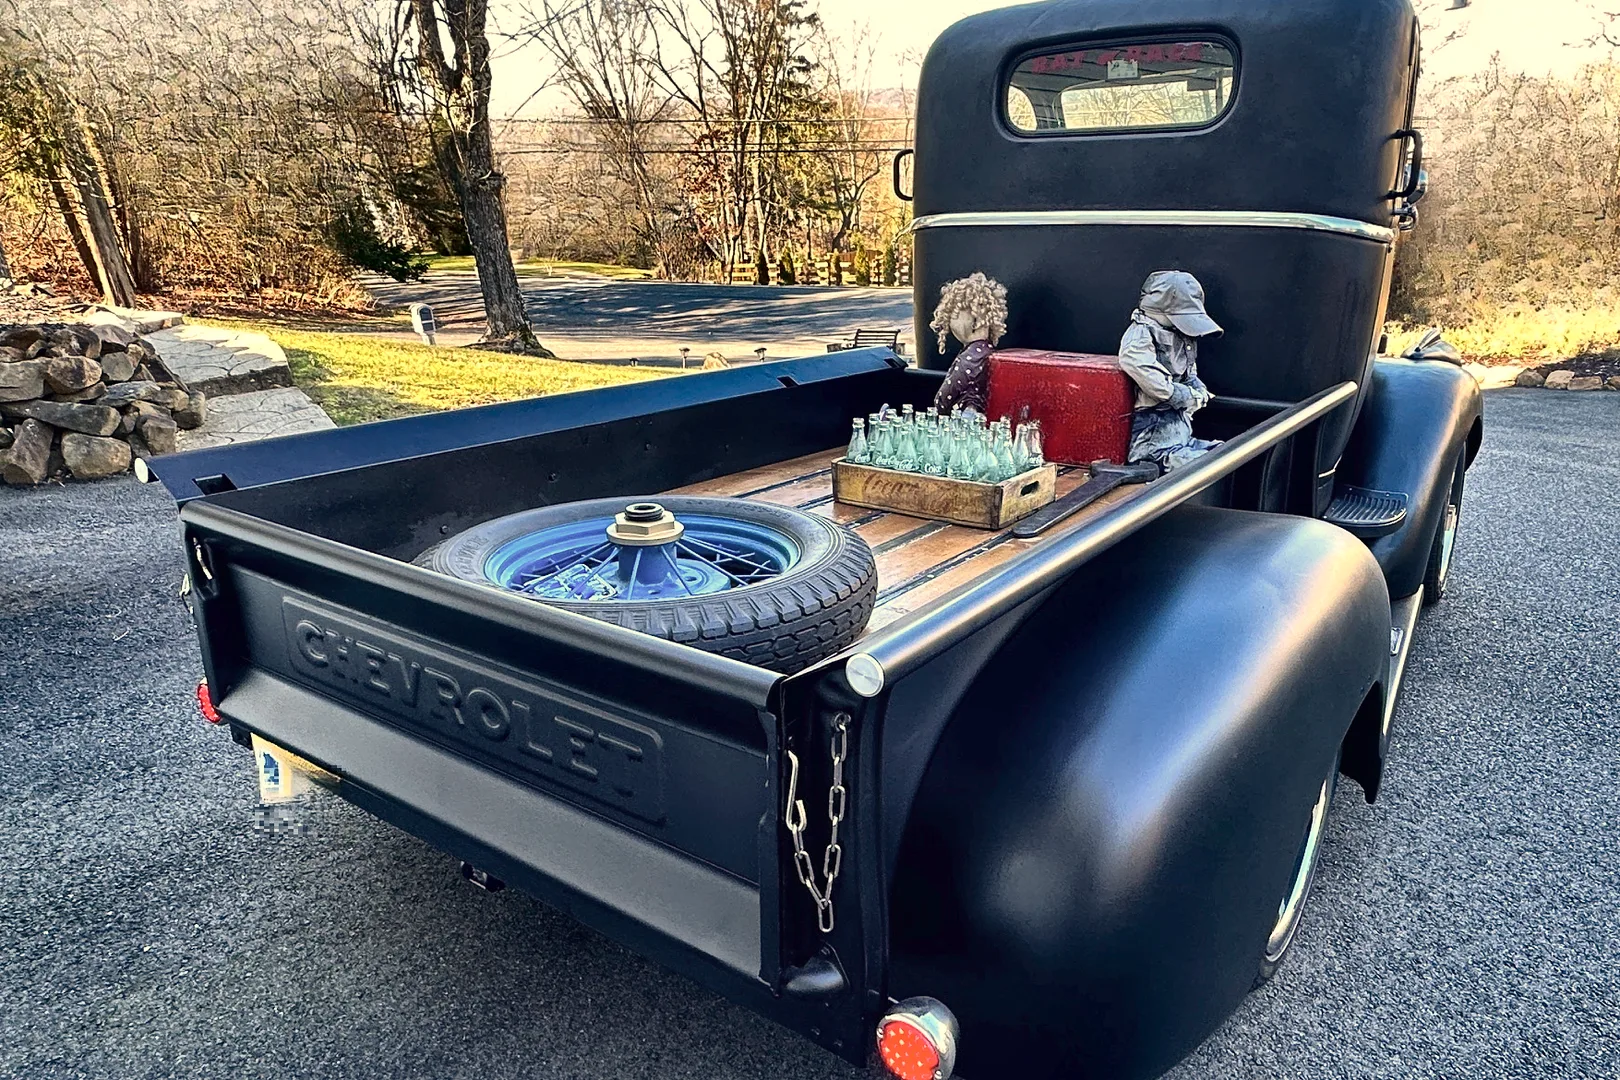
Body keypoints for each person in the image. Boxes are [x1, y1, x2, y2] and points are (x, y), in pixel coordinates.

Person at [1118, 270, 1223, 471]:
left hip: (1179, 420)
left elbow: (1189, 366)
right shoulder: (1142, 331)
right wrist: (1175, 393)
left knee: (1218, 453)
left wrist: (1195, 386)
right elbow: (1136, 361)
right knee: (1164, 458)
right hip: (1154, 420)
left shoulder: (1180, 334)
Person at [929, 272, 1008, 417]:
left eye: (952, 315)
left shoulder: (969, 358)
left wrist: (938, 408)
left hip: (960, 423)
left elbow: (945, 396)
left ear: (972, 318)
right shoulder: (988, 352)